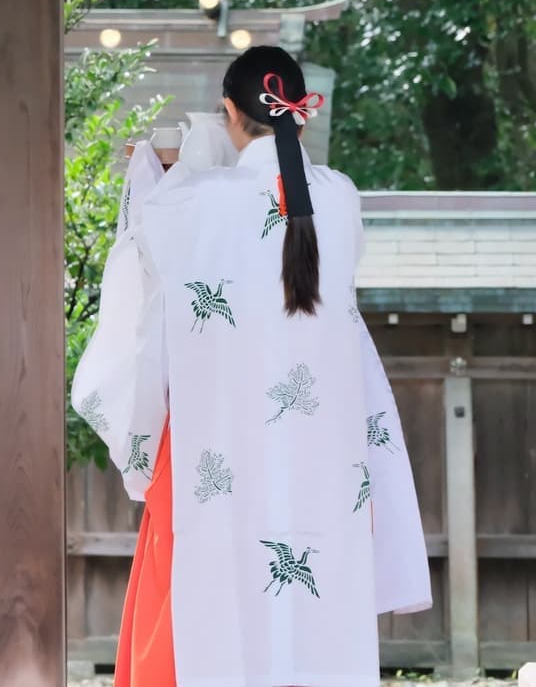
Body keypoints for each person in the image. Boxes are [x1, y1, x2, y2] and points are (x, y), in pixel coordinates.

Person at [72, 45, 431, 686]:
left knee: (225, 608)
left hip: (225, 455)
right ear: (304, 117)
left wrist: (172, 160)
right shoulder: (340, 199)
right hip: (323, 458)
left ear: (230, 114)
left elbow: (145, 248)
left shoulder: (195, 202)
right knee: (318, 611)